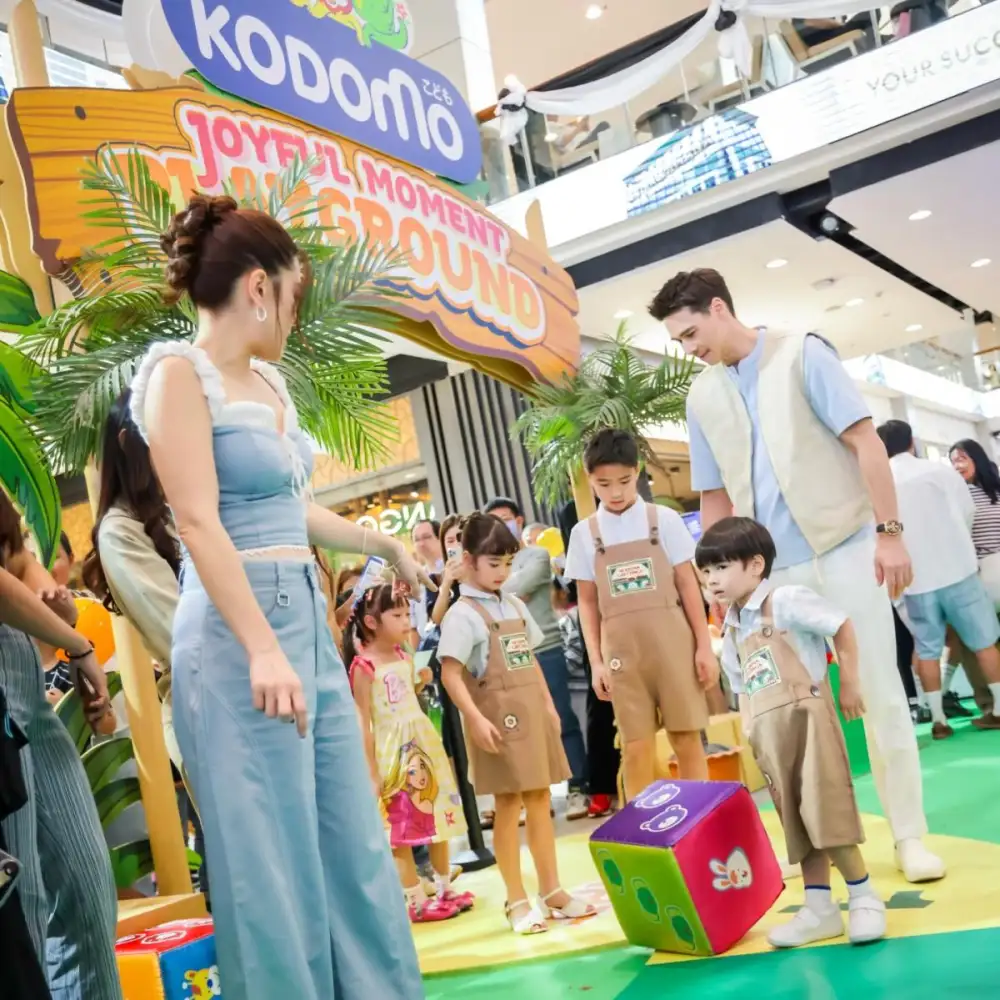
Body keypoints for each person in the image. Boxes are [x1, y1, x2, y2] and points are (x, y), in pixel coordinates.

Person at [132, 193, 429, 999]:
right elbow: (197, 520)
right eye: (296, 293)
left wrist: (380, 543)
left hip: (302, 618)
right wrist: (261, 645)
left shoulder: (267, 381)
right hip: (237, 634)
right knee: (268, 860)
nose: (296, 314)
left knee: (351, 842)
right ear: (260, 287)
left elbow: (288, 507)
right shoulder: (176, 375)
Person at [651, 267, 944, 884]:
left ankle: (910, 837)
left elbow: (866, 442)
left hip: (845, 548)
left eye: (691, 333)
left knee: (881, 694)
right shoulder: (702, 396)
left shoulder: (802, 352)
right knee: (789, 709)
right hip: (770, 576)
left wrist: (890, 534)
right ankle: (820, 851)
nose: (688, 348)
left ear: (719, 308)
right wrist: (718, 583)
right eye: (678, 340)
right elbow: (714, 496)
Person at [696, 517, 886, 948]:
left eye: (722, 567)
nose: (712, 580)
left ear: (755, 565)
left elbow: (841, 625)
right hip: (770, 733)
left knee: (826, 809)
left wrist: (850, 681)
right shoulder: (731, 627)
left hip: (809, 720)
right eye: (705, 571)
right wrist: (750, 728)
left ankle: (863, 896)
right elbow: (742, 686)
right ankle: (819, 908)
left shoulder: (785, 600)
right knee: (795, 821)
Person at [438, 513, 596, 934]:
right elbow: (450, 674)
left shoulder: (513, 604)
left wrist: (548, 705)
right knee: (508, 804)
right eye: (494, 564)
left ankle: (552, 890)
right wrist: (474, 719)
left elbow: (530, 658)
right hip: (495, 718)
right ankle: (516, 899)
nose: (502, 572)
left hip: (530, 711)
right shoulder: (462, 614)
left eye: (508, 563)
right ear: (467, 560)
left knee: (540, 798)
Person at [0, 503, 121, 999]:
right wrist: (76, 642)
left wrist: (56, 606)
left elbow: (14, 557)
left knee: (89, 892)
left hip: (25, 682)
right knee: (21, 903)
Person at [565, 429, 716, 801]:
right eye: (604, 484)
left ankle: (699, 821)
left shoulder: (664, 519)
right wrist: (596, 662)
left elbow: (688, 585)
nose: (615, 492)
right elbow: (587, 603)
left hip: (673, 644)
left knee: (687, 738)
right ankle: (644, 827)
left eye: (624, 481)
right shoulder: (583, 534)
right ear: (589, 479)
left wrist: (703, 647)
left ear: (637, 472)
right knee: (635, 746)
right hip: (622, 653)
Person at [345, 580, 472, 924]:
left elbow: (408, 692)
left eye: (407, 614)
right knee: (402, 828)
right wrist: (370, 769)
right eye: (397, 615)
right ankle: (415, 900)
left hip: (423, 745)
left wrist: (421, 679)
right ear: (371, 622)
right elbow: (362, 718)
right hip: (394, 754)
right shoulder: (364, 666)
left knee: (438, 815)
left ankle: (444, 888)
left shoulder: (404, 656)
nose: (406, 622)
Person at [877, 420, 1000, 739]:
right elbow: (967, 511)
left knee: (927, 650)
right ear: (912, 442)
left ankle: (938, 720)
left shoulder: (880, 483)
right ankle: (998, 708)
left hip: (916, 580)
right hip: (958, 569)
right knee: (984, 642)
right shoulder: (940, 472)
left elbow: (882, 530)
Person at [485, 496, 588, 820]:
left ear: (519, 520)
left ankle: (578, 788)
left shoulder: (537, 555)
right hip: (508, 654)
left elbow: (508, 589)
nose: (502, 526)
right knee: (521, 728)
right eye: (494, 521)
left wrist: (499, 590)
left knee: (561, 720)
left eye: (506, 518)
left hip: (545, 647)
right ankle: (534, 796)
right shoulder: (487, 564)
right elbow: (496, 593)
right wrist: (506, 590)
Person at [950, 438, 1000, 609]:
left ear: (977, 459)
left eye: (961, 459)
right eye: (953, 462)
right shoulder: (958, 496)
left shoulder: (996, 491)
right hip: (982, 571)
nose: (957, 466)